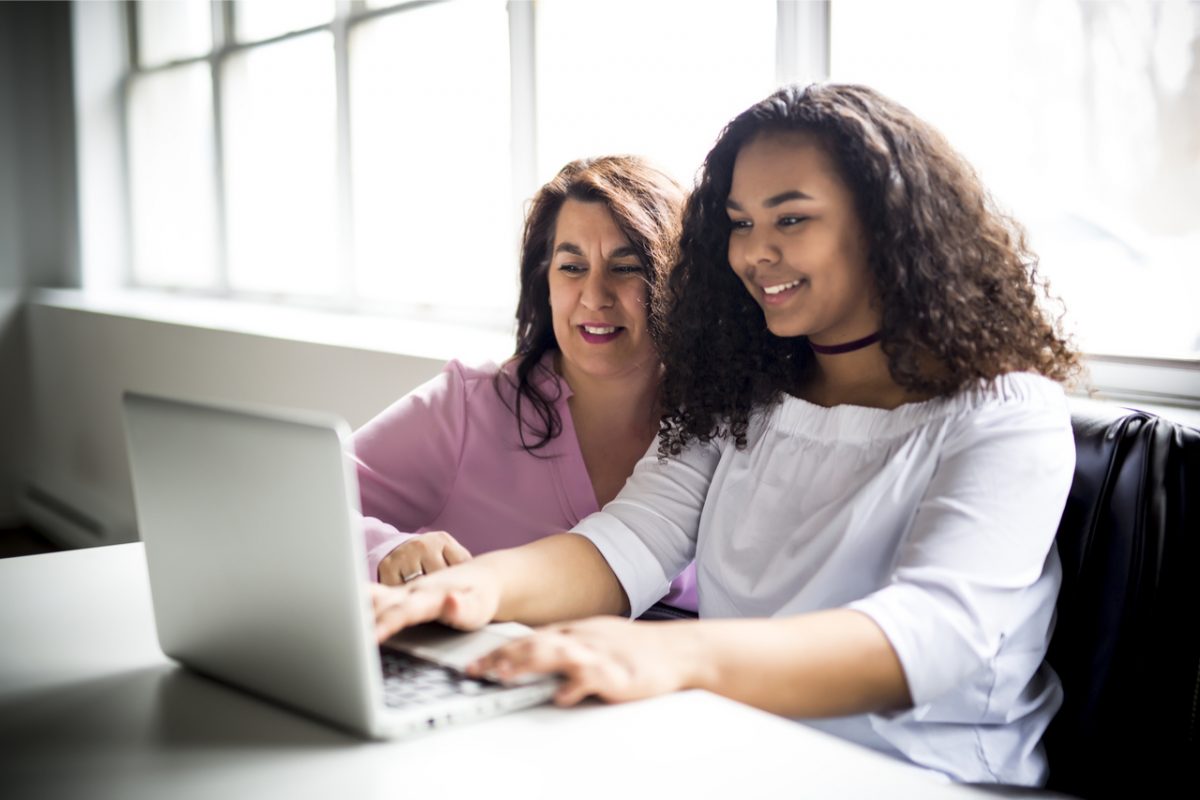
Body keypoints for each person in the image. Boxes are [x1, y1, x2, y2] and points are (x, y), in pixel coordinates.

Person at [369, 84, 1081, 785]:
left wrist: (680, 658)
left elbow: (931, 634)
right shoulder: (742, 392)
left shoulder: (1008, 413)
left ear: (887, 224)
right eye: (739, 223)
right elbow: (629, 541)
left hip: (928, 774)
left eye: (791, 220)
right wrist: (468, 590)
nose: (754, 254)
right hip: (740, 748)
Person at [353, 155, 696, 614]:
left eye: (626, 267)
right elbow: (296, 502)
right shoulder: (467, 407)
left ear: (679, 280)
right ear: (545, 282)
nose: (595, 296)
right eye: (572, 267)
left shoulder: (722, 430)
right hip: (490, 676)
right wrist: (383, 550)